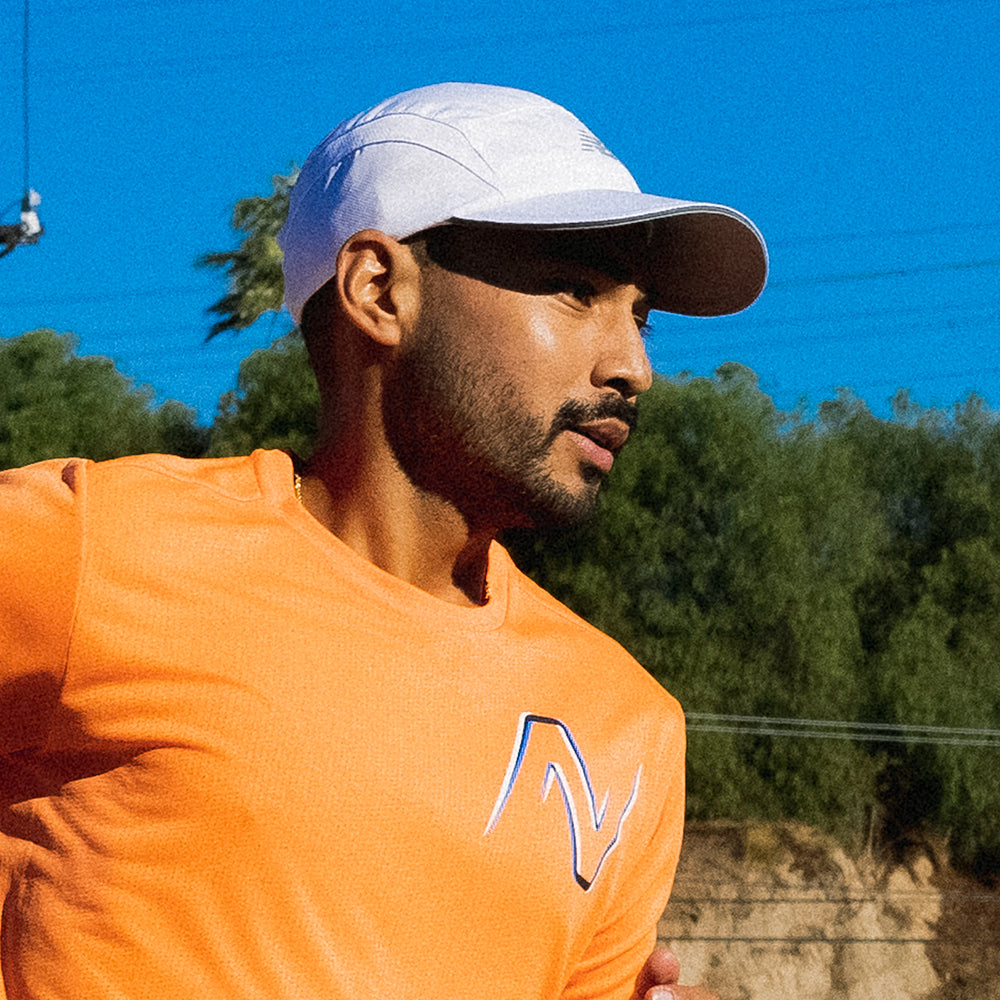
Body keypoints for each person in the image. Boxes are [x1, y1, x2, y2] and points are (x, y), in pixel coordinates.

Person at [0, 83, 766, 999]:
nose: (633, 366)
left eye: (640, 316)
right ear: (378, 290)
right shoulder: (94, 549)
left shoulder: (628, 726)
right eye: (578, 291)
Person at [0, 190, 42, 259]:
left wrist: (25, 200)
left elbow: (8, 250)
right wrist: (25, 200)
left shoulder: (15, 238)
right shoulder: (15, 238)